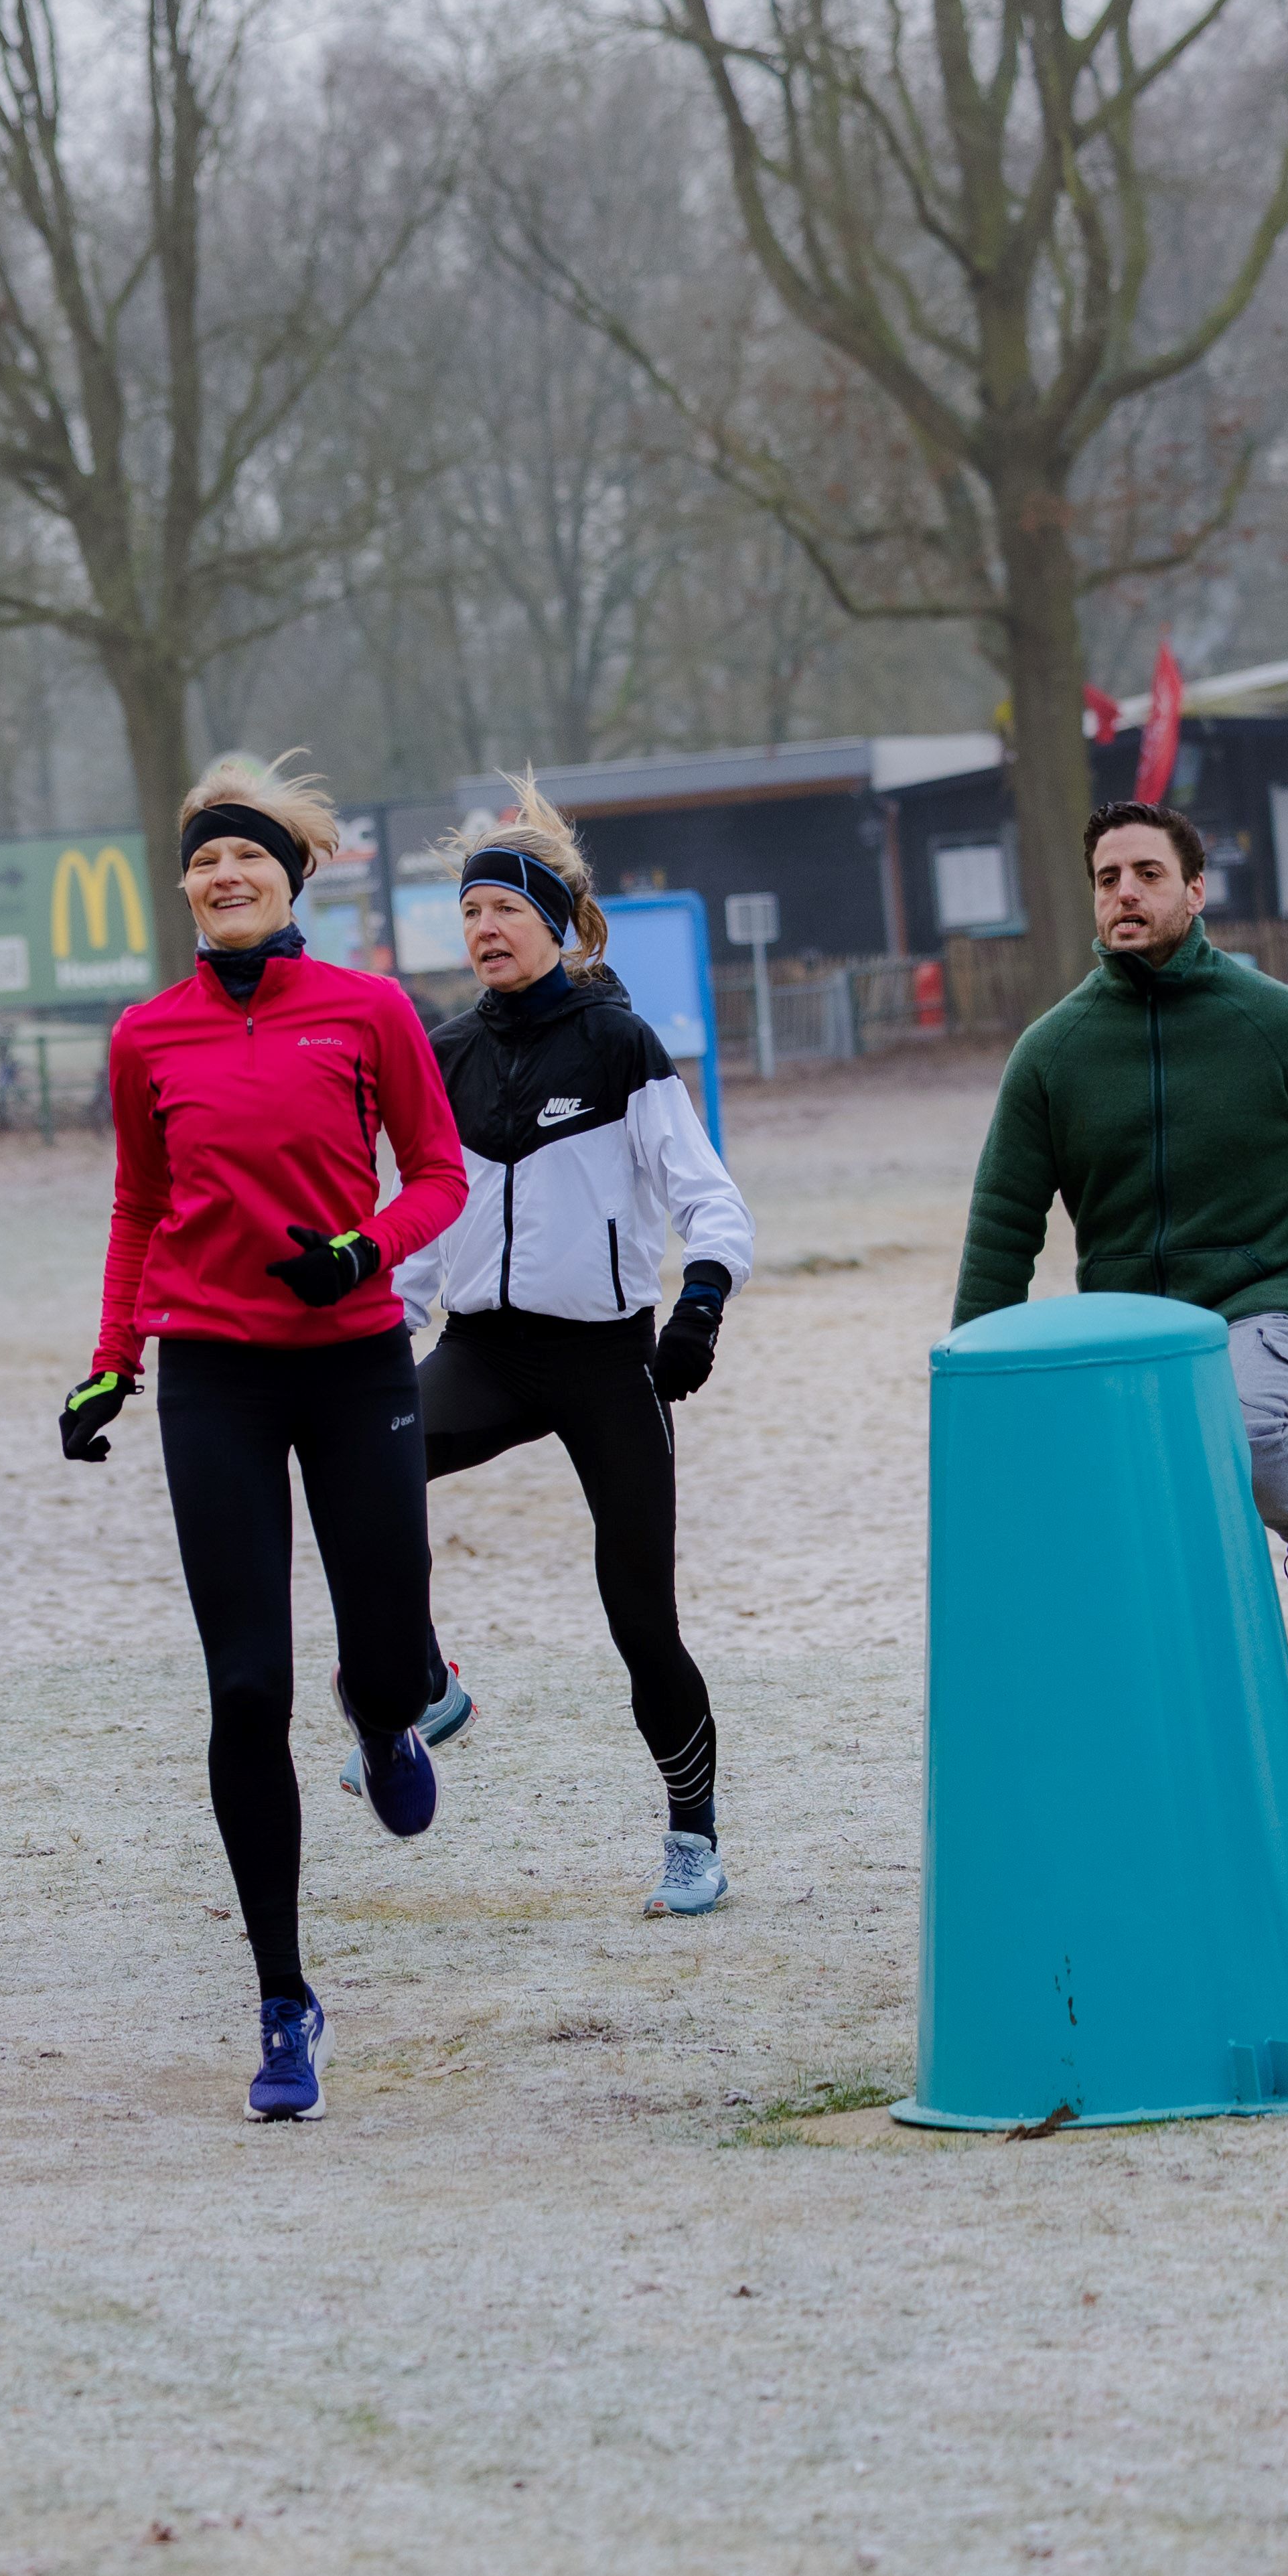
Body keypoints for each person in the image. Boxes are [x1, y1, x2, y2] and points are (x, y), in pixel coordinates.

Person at [65, 757, 468, 2123]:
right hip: (214, 1374)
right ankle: (283, 1996)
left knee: (386, 1649)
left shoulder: (368, 1009)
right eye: (202, 859)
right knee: (244, 1688)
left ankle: (391, 1709)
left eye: (246, 856)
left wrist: (365, 1247)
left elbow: (439, 1173)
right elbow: (137, 1205)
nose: (223, 874)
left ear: (290, 878)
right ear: (184, 886)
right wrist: (111, 1360)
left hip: (355, 1358)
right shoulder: (146, 1036)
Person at [395, 781, 756, 1920]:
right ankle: (424, 1684)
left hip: (607, 1364)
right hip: (482, 1351)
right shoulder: (443, 1054)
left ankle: (692, 1836)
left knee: (641, 1618)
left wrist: (698, 1309)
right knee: (367, 1467)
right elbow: (417, 1226)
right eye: (471, 912)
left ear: (558, 922)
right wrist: (379, 1327)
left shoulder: (619, 1045)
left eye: (507, 908)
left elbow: (711, 1203)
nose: (485, 928)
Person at [952, 802, 1288, 1661]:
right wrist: (977, 1369)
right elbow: (1002, 1224)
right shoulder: (1050, 1052)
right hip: (1127, 1324)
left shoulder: (1277, 1022)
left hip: (1271, 1295)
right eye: (1107, 879)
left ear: (1195, 891)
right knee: (1118, 1514)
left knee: (1239, 1425)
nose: (1125, 893)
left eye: (1148, 874)